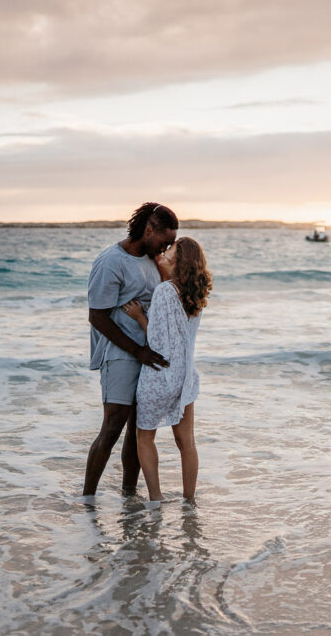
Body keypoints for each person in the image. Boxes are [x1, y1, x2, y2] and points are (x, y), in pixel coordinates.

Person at [83, 202, 178, 496]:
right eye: (165, 241)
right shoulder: (111, 261)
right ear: (149, 230)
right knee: (112, 428)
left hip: (147, 353)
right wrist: (137, 351)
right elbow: (96, 316)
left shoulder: (152, 260)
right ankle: (87, 500)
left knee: (139, 433)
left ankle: (129, 498)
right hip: (120, 353)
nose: (165, 249)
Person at [120, 237, 212, 502]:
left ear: (178, 258)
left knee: (145, 436)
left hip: (160, 376)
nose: (166, 249)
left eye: (172, 248)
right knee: (187, 444)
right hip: (185, 377)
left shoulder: (164, 292)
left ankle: (156, 498)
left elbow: (157, 343)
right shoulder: (197, 293)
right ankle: (189, 500)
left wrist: (139, 317)